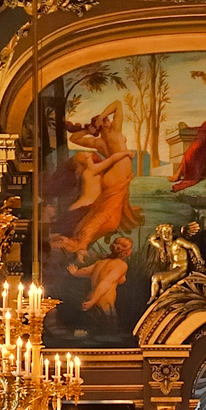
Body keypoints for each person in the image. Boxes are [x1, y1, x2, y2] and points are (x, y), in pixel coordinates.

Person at [55, 101, 141, 261]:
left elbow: (74, 137)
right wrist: (99, 119)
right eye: (106, 120)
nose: (108, 120)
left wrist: (89, 129)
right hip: (117, 176)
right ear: (104, 124)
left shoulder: (98, 142)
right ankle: (83, 242)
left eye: (107, 119)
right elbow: (117, 104)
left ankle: (86, 239)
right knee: (106, 214)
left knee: (111, 219)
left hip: (116, 176)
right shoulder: (114, 132)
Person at [68, 237, 133, 322]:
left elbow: (85, 271)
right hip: (103, 302)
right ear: (126, 252)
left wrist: (74, 273)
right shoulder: (121, 265)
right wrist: (93, 301)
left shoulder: (100, 262)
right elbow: (106, 281)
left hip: (90, 298)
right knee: (108, 329)